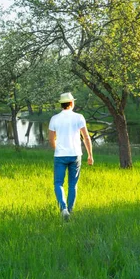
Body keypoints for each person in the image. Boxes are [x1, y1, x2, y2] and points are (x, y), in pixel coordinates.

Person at [48, 92, 94, 221]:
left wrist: (57, 149)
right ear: (72, 103)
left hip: (60, 156)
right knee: (72, 185)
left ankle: (63, 209)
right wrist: (90, 155)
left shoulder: (54, 119)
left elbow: (51, 139)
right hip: (75, 155)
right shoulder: (79, 117)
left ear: (61, 104)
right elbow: (86, 137)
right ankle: (70, 210)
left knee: (58, 183)